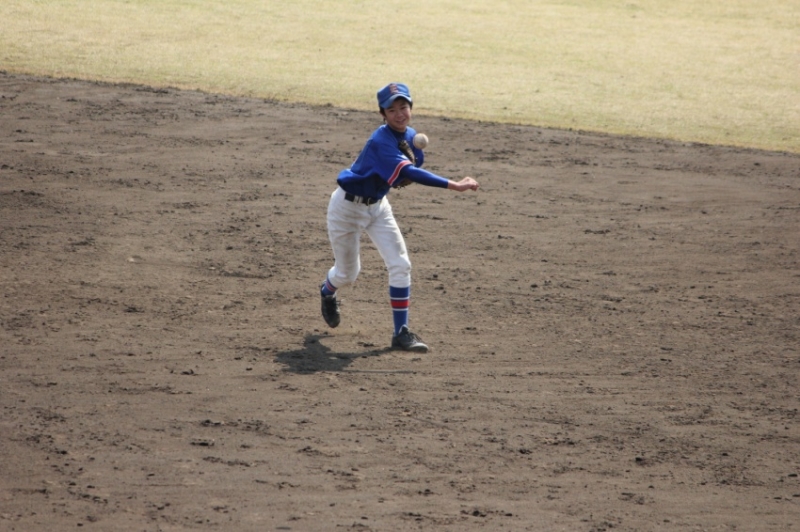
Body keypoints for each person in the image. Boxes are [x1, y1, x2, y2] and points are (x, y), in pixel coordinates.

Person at [319, 82, 479, 352]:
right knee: (347, 274)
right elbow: (411, 172)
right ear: (382, 114)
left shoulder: (410, 137)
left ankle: (401, 333)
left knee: (401, 264)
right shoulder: (380, 141)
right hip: (346, 209)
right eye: (391, 110)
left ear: (411, 107)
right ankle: (327, 292)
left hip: (378, 207)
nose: (399, 114)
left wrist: (408, 169)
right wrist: (454, 184)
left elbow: (412, 167)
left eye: (403, 107)